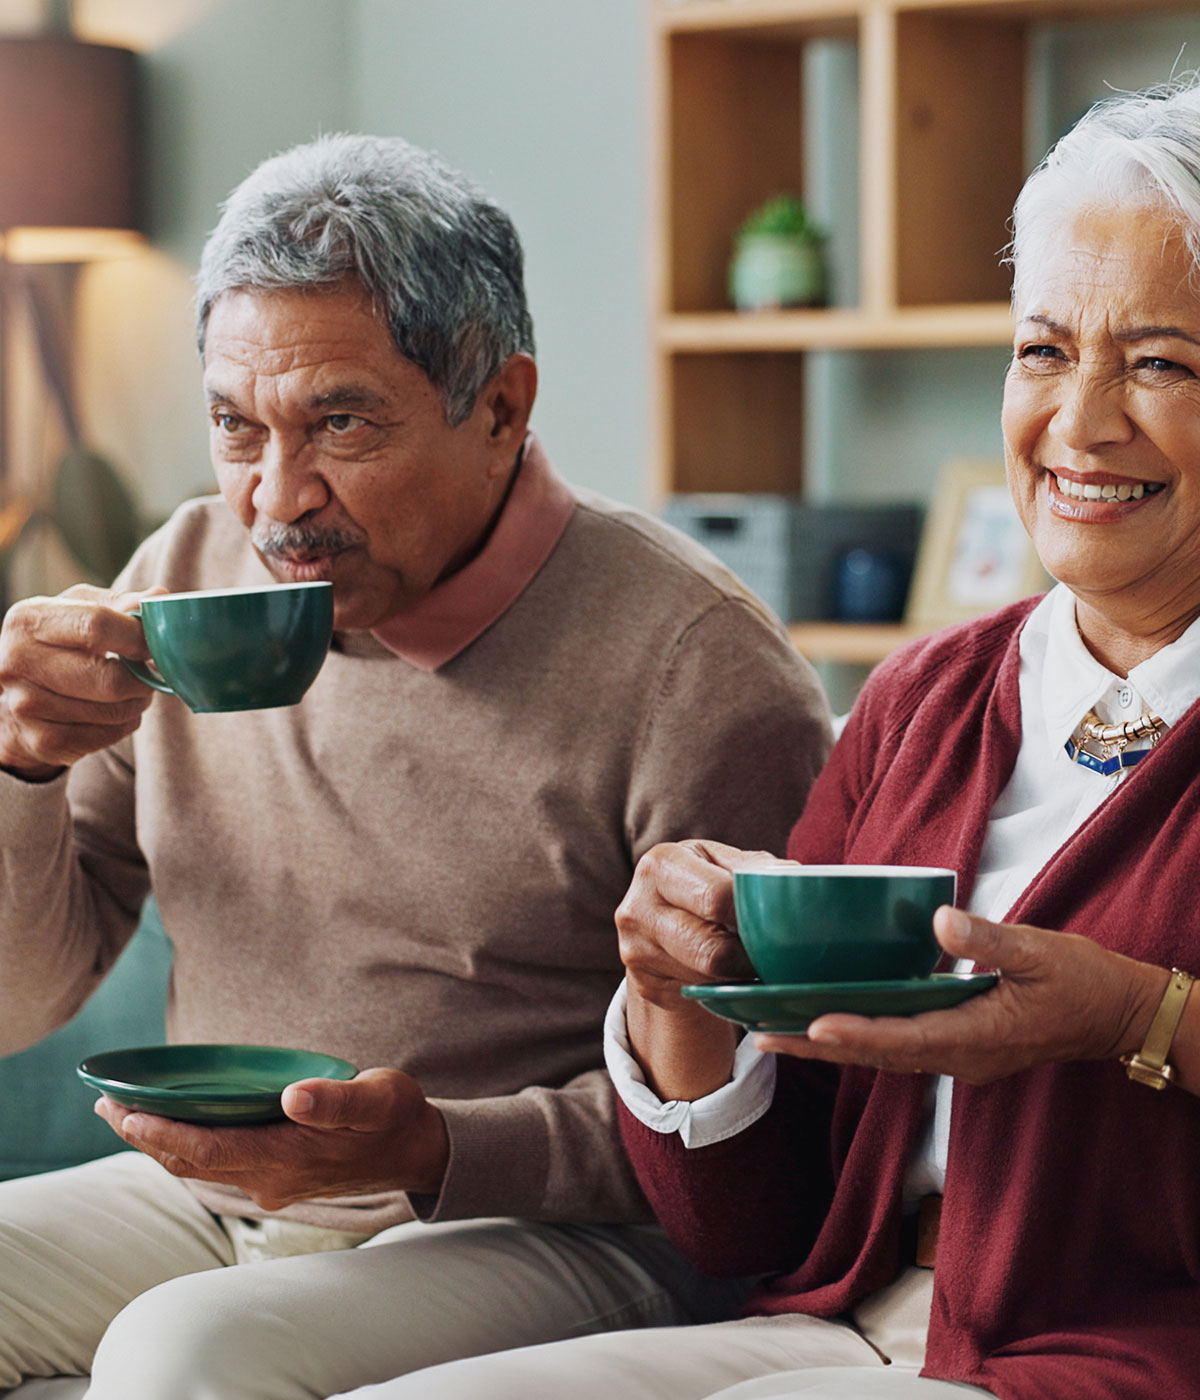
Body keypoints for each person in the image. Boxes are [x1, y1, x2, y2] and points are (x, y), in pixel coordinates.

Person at [328, 69, 1200, 1400]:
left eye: (1161, 362)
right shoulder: (924, 699)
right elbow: (749, 1225)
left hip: (1162, 1356)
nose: (1078, 423)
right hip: (853, 1317)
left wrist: (1137, 1014)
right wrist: (679, 1007)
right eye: (1044, 350)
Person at [0, 134, 833, 1399]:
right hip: (222, 1186)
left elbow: (766, 1132)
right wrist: (19, 768)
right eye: (236, 426)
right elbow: (21, 1000)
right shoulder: (183, 572)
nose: (277, 500)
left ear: (501, 406)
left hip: (548, 1231)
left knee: (183, 1355)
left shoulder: (691, 664)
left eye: (340, 422)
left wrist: (439, 1145)